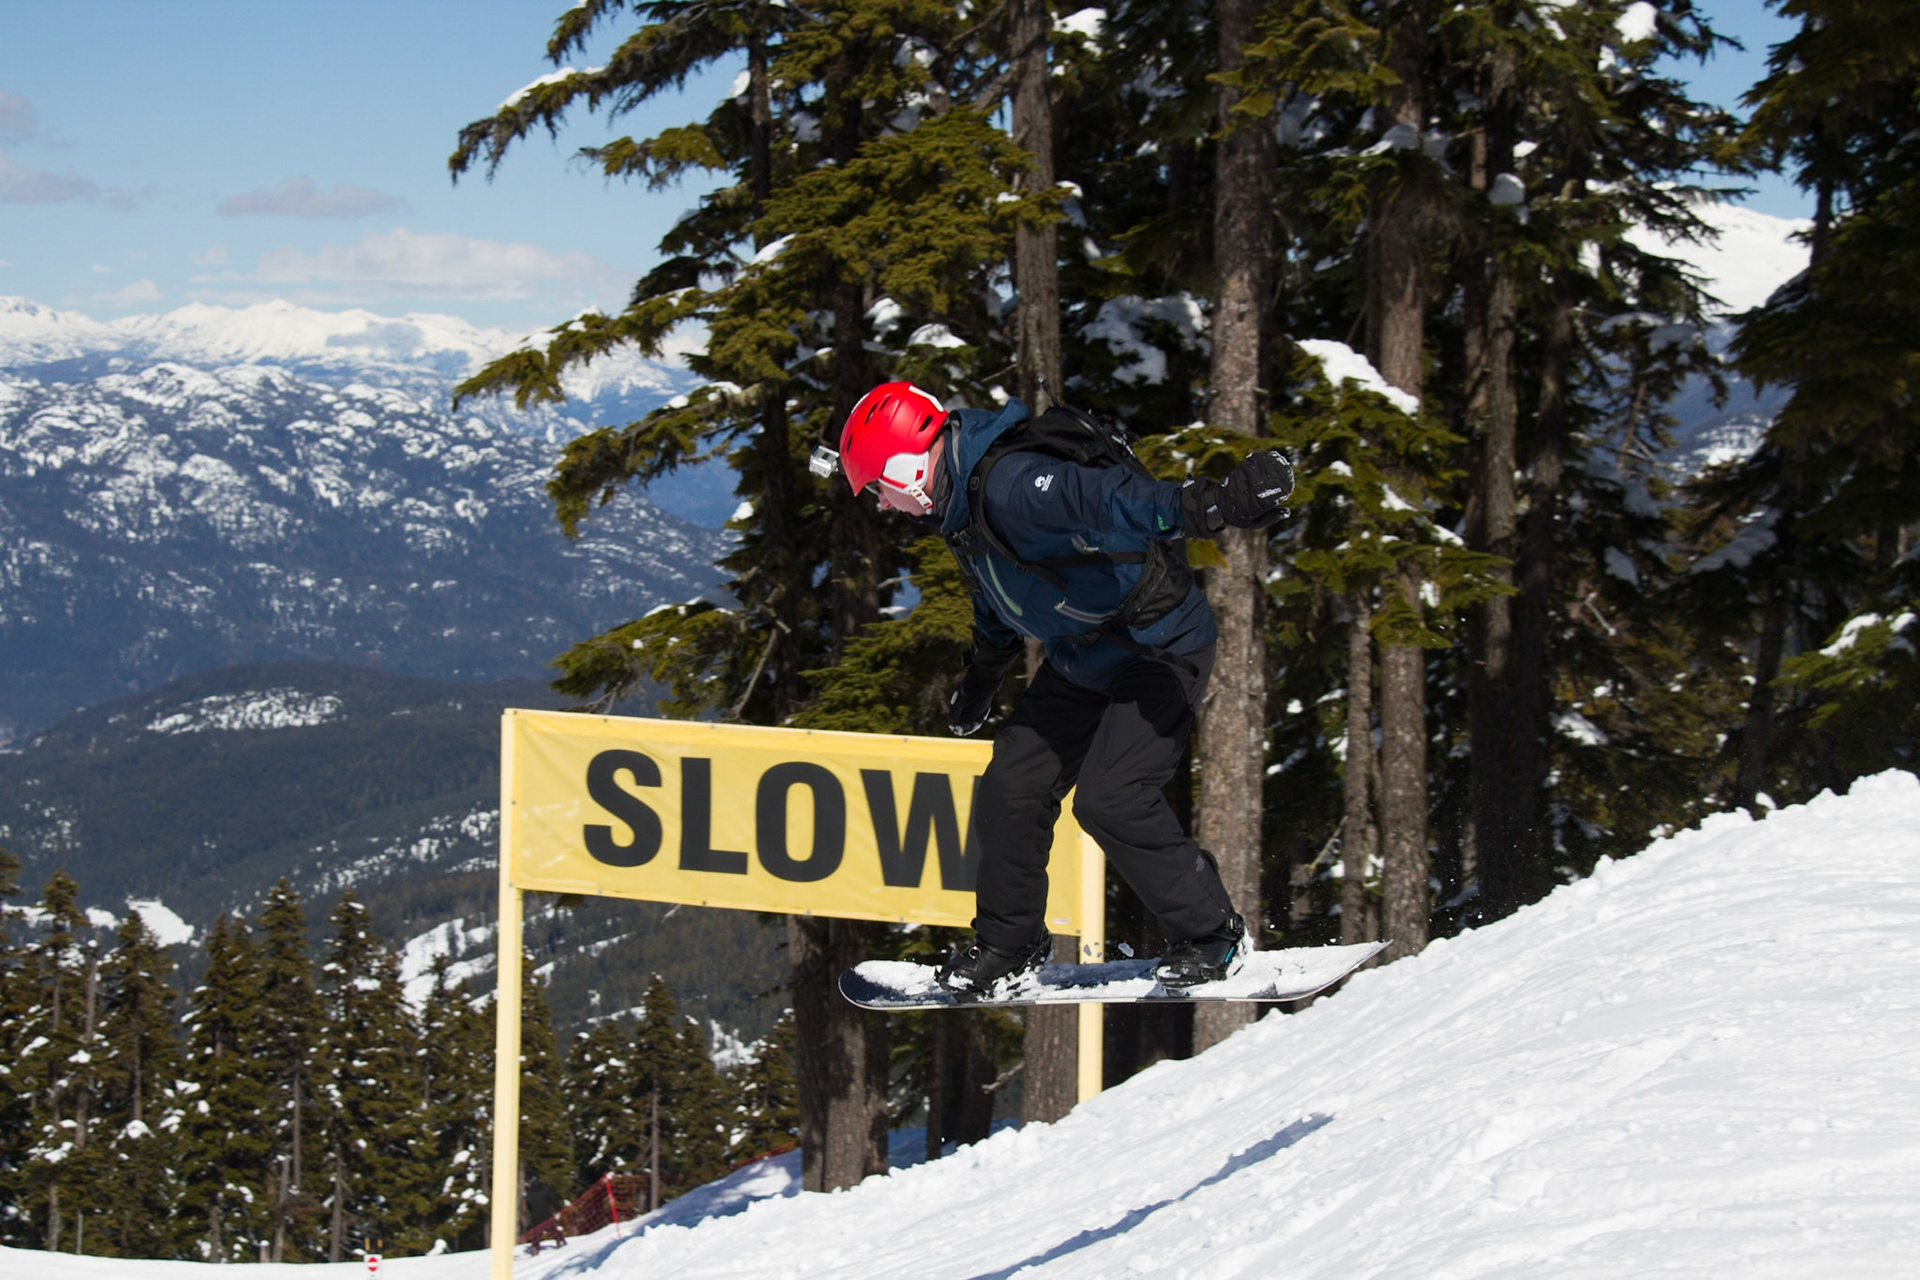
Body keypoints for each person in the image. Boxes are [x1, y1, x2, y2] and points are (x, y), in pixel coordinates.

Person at [835, 381, 1294, 993]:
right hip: (1083, 656)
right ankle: (1009, 945)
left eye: (879, 489)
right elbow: (999, 602)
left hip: (1160, 644)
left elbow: (1109, 498)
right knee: (1011, 785)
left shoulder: (1012, 485)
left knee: (1111, 796)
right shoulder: (960, 506)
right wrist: (980, 681)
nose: (884, 505)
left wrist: (1218, 504)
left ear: (907, 466)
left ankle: (1213, 935)